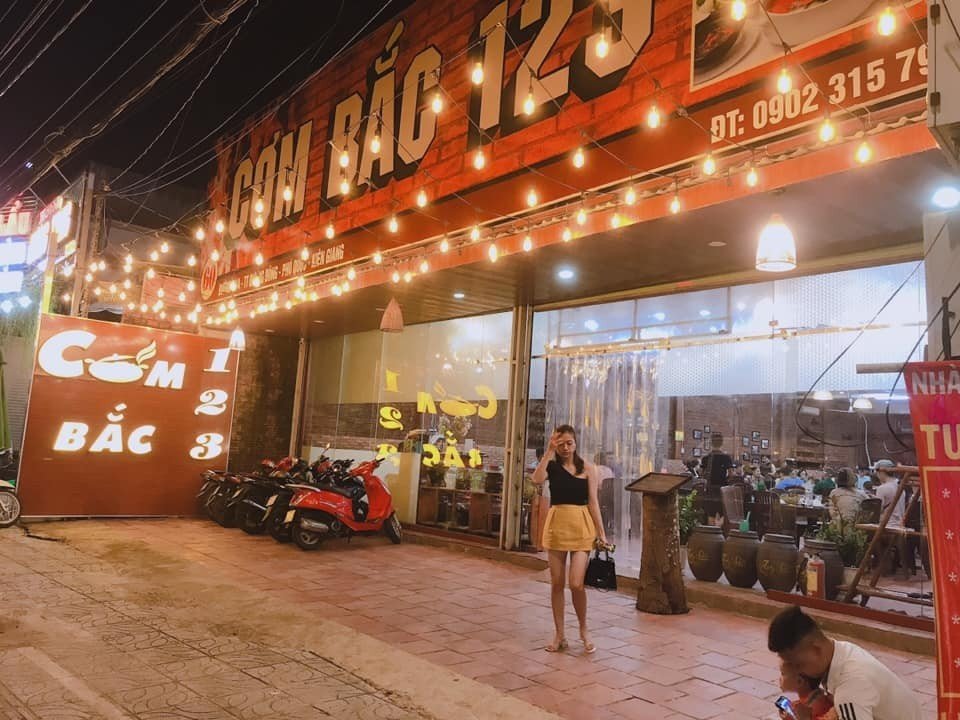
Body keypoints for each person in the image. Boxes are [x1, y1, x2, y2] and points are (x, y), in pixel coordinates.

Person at [531, 424, 607, 655]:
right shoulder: (552, 466)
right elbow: (536, 479)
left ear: (575, 443)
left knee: (576, 583)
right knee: (556, 583)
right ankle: (560, 634)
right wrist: (548, 450)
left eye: (569, 443)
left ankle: (584, 630)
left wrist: (601, 533)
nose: (565, 448)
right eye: (561, 443)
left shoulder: (589, 468)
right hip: (557, 526)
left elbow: (593, 502)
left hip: (582, 526)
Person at [768, 606, 922, 720]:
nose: (798, 672)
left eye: (798, 665)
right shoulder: (842, 650)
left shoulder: (850, 687)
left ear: (816, 649)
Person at [873, 460, 905, 527]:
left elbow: (877, 511)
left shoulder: (882, 488)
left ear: (882, 472)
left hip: (887, 525)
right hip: (900, 525)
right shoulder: (900, 486)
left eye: (877, 472)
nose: (877, 475)